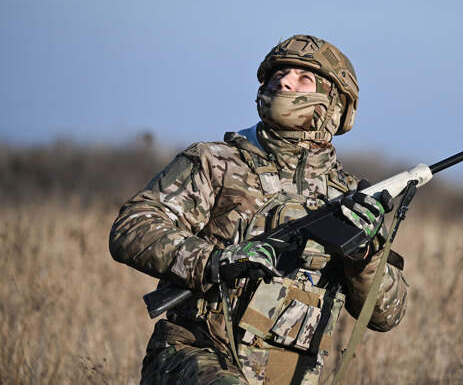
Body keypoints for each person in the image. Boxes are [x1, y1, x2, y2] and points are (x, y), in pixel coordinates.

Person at [109, 35, 409, 385]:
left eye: (303, 77)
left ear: (335, 102)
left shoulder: (352, 201)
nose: (284, 82)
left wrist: (365, 255)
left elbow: (387, 314)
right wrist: (214, 261)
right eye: (279, 74)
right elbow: (132, 227)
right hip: (195, 359)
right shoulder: (216, 163)